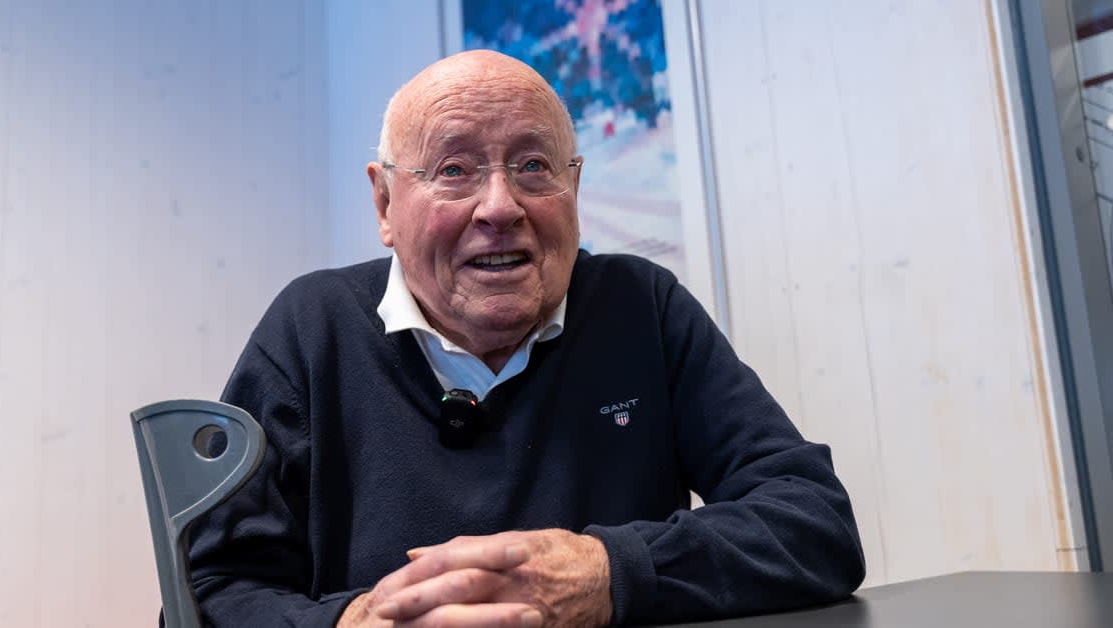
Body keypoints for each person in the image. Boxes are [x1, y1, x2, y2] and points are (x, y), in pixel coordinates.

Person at [185, 50, 865, 627]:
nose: (500, 207)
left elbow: (814, 524)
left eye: (534, 166)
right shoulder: (311, 329)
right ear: (385, 203)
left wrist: (609, 573)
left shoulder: (641, 308)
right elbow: (206, 593)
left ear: (574, 186)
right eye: (455, 170)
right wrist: (350, 622)